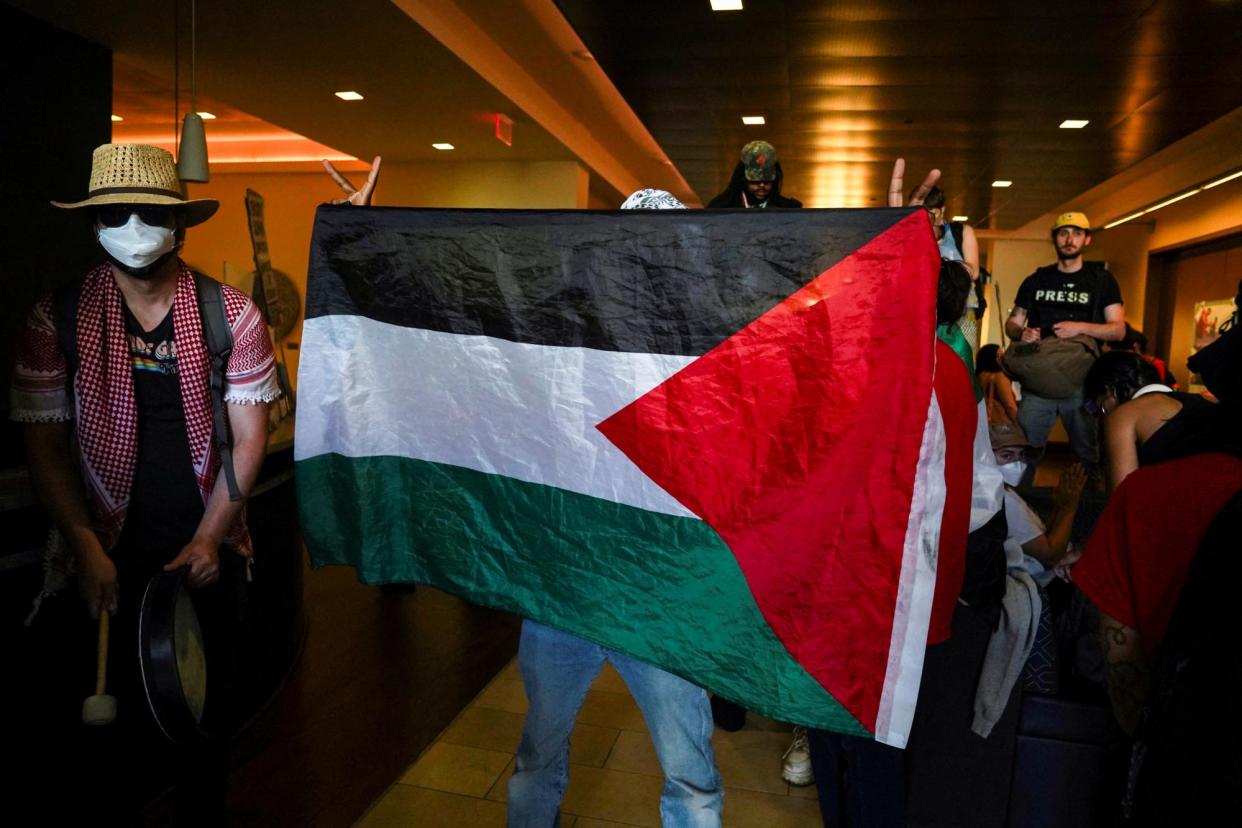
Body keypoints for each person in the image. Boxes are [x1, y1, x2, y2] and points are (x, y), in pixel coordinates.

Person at [12, 143, 280, 822]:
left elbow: (251, 437)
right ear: (93, 224)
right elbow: (42, 439)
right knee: (108, 723)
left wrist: (212, 538)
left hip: (206, 545)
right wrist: (84, 544)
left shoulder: (234, 314)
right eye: (115, 212)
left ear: (181, 224)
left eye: (149, 212)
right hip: (102, 545)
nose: (133, 225)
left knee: (204, 713)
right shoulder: (57, 316)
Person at [1004, 211, 1125, 479]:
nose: (1070, 239)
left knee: (1087, 456)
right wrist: (1020, 333)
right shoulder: (1036, 280)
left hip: (1083, 385)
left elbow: (1118, 330)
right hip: (1038, 384)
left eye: (1077, 233)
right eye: (1063, 233)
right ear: (1055, 239)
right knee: (1023, 456)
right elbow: (1012, 322)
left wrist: (1079, 327)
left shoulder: (1101, 281)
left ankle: (1086, 515)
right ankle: (1020, 512)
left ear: (1087, 239)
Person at [1082, 350, 1222, 492]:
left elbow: (1121, 500)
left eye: (1099, 408)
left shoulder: (1125, 414)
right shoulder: (1205, 401)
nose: (1101, 416)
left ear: (1110, 392)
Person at [706, 140, 802, 209]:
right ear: (743, 179)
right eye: (755, 181)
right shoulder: (720, 209)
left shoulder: (788, 209)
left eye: (767, 181)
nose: (762, 185)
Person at [977, 343, 1019, 427]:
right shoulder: (999, 377)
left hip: (981, 424)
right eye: (1000, 356)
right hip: (1000, 426)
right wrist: (1020, 425)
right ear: (992, 359)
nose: (1003, 359)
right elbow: (1010, 406)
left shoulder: (978, 376)